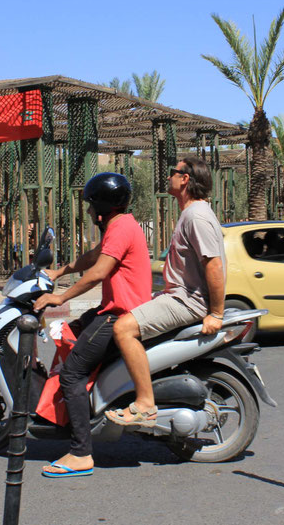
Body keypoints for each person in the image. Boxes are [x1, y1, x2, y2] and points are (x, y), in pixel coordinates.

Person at [32, 172, 151, 478]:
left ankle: (80, 452)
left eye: (90, 205)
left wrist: (60, 297)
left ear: (102, 206)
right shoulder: (119, 225)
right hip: (111, 310)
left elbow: (99, 271)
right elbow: (94, 256)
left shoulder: (121, 227)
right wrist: (59, 272)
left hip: (119, 315)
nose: (87, 211)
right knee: (72, 332)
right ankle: (75, 411)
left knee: (71, 373)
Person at [106, 157, 225, 428]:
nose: (168, 176)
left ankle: (145, 405)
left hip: (188, 300)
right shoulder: (192, 213)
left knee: (123, 329)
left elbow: (214, 265)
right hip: (180, 296)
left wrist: (216, 313)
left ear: (185, 179)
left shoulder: (196, 215)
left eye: (173, 172)